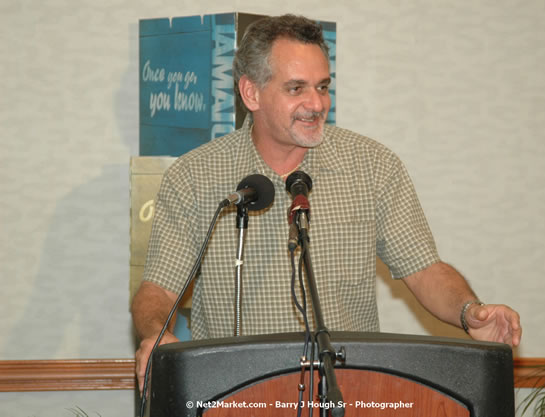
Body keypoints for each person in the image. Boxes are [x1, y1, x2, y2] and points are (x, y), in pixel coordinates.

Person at [131, 14, 522, 390]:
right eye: (296, 88)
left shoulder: (372, 167)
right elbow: (157, 293)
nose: (316, 104)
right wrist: (158, 335)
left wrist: (470, 312)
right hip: (237, 391)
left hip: (351, 390)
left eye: (322, 86)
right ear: (251, 92)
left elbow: (424, 270)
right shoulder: (195, 176)